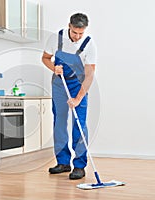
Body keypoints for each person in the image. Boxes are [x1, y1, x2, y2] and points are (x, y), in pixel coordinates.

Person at [42, 13, 97, 180]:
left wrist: (78, 98)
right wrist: (54, 68)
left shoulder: (88, 44)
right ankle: (63, 162)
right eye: (74, 32)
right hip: (59, 84)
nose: (77, 36)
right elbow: (45, 58)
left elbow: (89, 75)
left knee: (79, 124)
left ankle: (79, 166)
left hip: (79, 86)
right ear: (69, 26)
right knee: (59, 122)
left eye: (81, 33)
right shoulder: (56, 38)